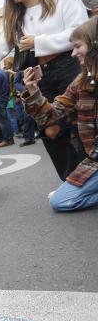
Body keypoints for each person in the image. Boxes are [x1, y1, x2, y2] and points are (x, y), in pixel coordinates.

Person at [0, 0, 87, 180]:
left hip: (70, 67)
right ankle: (71, 181)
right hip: (38, 76)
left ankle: (88, 178)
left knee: (82, 123)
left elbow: (79, 33)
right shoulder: (14, 20)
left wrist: (38, 41)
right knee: (50, 130)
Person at [22, 17, 98, 212]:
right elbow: (52, 117)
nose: (73, 54)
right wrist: (33, 92)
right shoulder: (80, 82)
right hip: (94, 159)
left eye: (77, 46)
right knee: (60, 201)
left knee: (61, 199)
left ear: (94, 44)